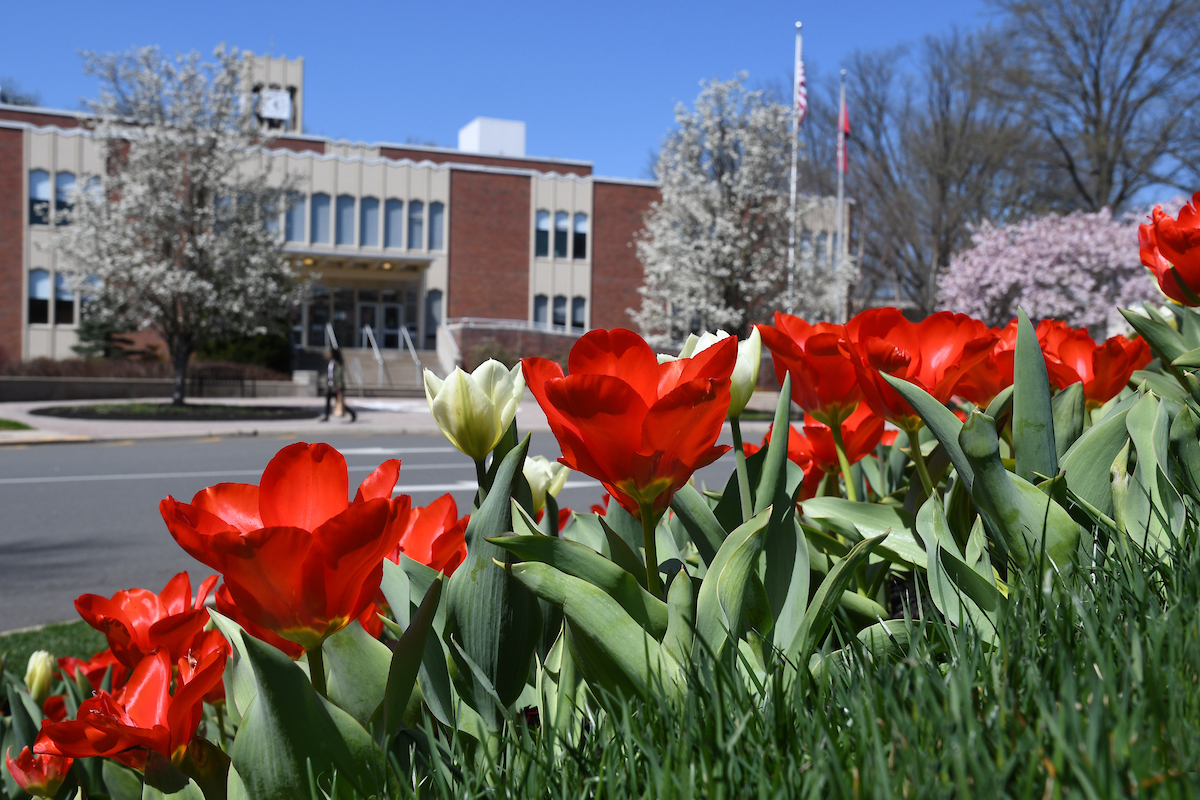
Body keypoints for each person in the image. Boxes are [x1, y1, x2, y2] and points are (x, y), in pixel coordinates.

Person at [321, 348, 356, 422]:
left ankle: (352, 413)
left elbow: (339, 375)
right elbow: (330, 374)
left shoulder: (338, 363)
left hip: (336, 387)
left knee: (340, 402)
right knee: (328, 401)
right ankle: (326, 417)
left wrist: (338, 386)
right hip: (330, 386)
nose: (328, 354)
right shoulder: (331, 362)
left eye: (330, 352)